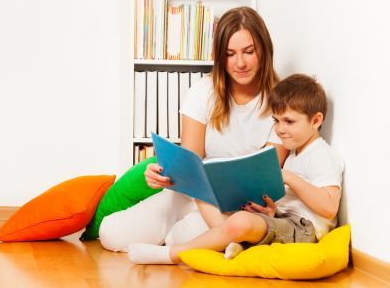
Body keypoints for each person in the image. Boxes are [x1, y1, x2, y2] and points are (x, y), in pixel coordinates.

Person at [98, 6, 288, 252]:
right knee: (110, 234)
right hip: (193, 196)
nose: (240, 63)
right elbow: (190, 162)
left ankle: (185, 241)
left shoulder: (282, 102)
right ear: (220, 57)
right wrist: (161, 174)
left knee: (182, 237)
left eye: (249, 52)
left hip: (238, 208)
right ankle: (200, 239)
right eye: (230, 54)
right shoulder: (203, 91)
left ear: (264, 50)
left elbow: (268, 173)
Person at [127, 73, 344, 265]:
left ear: (316, 120)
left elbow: (329, 206)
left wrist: (288, 177)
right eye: (276, 121)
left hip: (304, 230)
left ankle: (172, 255)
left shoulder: (321, 155)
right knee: (205, 196)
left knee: (239, 221)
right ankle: (236, 242)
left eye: (289, 121)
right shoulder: (296, 152)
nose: (280, 130)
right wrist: (272, 211)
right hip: (284, 221)